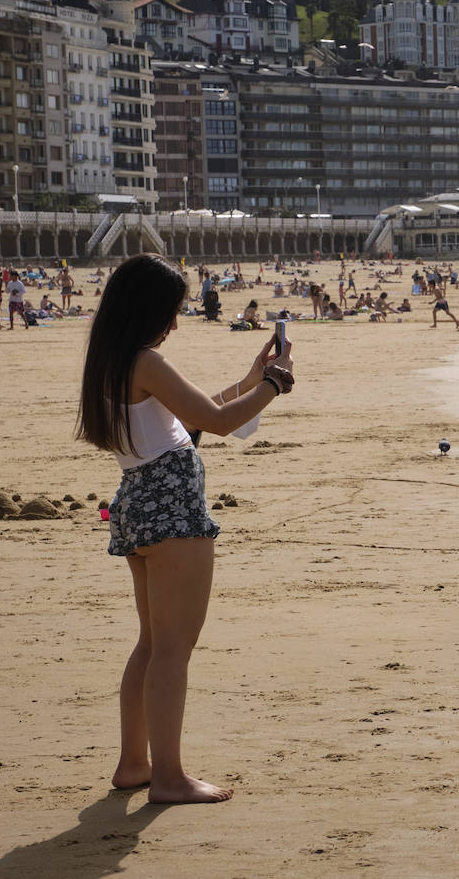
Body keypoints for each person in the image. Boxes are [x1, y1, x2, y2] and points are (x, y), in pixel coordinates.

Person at [75, 253, 295, 804]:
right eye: (171, 312)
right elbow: (217, 425)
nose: (175, 323)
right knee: (174, 648)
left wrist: (251, 379)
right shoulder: (147, 361)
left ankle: (134, 764)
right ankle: (168, 778)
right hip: (173, 512)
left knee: (152, 643)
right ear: (147, 311)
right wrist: (276, 385)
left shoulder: (112, 360)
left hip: (139, 504)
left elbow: (188, 418)